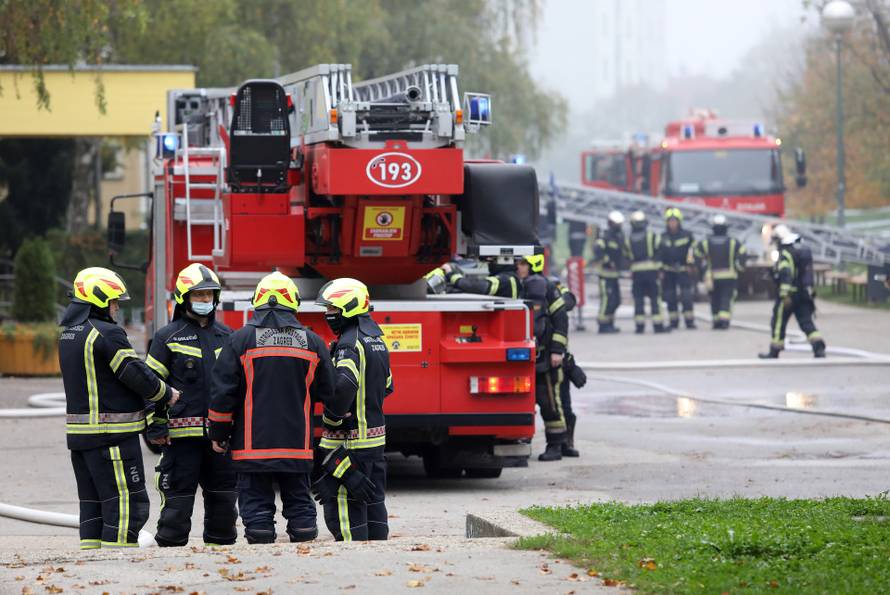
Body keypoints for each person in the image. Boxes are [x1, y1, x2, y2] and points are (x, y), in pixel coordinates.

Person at [208, 272, 335, 544]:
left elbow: (223, 393)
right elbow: (330, 392)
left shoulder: (240, 340)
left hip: (251, 446)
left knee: (256, 507)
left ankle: (261, 537)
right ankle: (304, 535)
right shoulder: (313, 342)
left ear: (258, 301)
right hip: (297, 445)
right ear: (293, 303)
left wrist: (218, 433)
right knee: (299, 500)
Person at [59, 267, 179, 549]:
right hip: (111, 437)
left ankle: (91, 563)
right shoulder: (107, 333)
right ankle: (117, 569)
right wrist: (166, 393)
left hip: (81, 439)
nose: (116, 308)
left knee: (94, 508)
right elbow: (134, 372)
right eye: (113, 302)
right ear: (99, 300)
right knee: (128, 505)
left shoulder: (69, 334)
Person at [144, 263, 237, 547]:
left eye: (209, 295)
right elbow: (150, 384)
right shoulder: (167, 337)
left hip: (219, 440)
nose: (205, 300)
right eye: (198, 295)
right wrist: (155, 425)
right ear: (184, 298)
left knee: (224, 504)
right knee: (177, 504)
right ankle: (172, 559)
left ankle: (222, 559)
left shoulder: (228, 336)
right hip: (180, 442)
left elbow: (237, 386)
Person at [313, 277, 393, 541]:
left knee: (346, 518)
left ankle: (354, 563)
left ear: (348, 308)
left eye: (332, 309)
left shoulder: (349, 343)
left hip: (349, 446)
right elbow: (388, 386)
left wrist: (333, 419)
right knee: (374, 509)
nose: (328, 314)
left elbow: (344, 386)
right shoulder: (377, 339)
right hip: (374, 445)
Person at [517, 254, 569, 461]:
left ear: (532, 265)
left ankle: (556, 445)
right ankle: (520, 443)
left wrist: (557, 350)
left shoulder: (545, 287)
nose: (518, 267)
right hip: (520, 357)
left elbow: (561, 319)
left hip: (544, 357)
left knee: (549, 402)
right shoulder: (514, 285)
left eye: (522, 263)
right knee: (521, 401)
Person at [759, 225, 827, 358]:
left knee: (778, 322)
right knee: (806, 322)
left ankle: (774, 350)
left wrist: (785, 295)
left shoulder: (785, 253)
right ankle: (818, 348)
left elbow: (786, 274)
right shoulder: (800, 250)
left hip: (789, 295)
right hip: (804, 294)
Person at [548, 276, 586, 458]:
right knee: (547, 405)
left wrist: (570, 365)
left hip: (560, 358)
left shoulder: (554, 290)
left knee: (565, 404)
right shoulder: (531, 289)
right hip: (540, 358)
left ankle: (566, 443)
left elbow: (569, 300)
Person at [693, 214, 747, 329]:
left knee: (714, 299)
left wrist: (702, 271)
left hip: (712, 278)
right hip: (729, 276)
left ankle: (716, 320)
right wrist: (739, 267)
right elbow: (743, 252)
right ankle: (724, 320)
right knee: (726, 298)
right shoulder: (733, 242)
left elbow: (696, 255)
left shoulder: (705, 242)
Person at [624, 211, 668, 333]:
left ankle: (639, 326)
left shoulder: (628, 239)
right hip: (651, 272)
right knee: (655, 298)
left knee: (638, 299)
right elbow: (660, 252)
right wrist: (660, 269)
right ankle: (658, 325)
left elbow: (626, 256)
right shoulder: (653, 236)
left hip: (636, 272)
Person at [659, 207, 696, 329]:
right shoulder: (662, 237)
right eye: (670, 221)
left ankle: (689, 321)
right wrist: (661, 269)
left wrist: (690, 264)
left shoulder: (687, 235)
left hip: (684, 270)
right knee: (670, 296)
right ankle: (673, 321)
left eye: (674, 221)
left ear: (679, 221)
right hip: (668, 271)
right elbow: (659, 254)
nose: (672, 223)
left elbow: (691, 251)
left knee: (686, 296)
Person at [591, 211, 626, 333]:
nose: (619, 226)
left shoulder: (620, 237)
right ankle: (603, 324)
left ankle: (610, 323)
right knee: (607, 300)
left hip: (615, 275)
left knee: (616, 300)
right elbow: (597, 250)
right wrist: (607, 261)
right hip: (605, 275)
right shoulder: (605, 237)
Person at [427, 257, 520, 298]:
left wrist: (452, 275)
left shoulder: (507, 279)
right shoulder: (508, 276)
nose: (489, 263)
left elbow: (480, 287)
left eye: (493, 260)